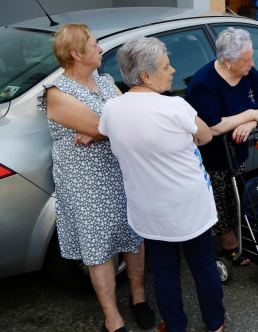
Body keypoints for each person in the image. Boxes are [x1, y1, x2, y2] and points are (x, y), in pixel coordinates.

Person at [99, 37, 224, 332]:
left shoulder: (111, 110)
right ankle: (215, 325)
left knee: (165, 270)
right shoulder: (176, 107)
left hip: (148, 209)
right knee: (203, 265)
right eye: (166, 66)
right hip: (189, 204)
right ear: (145, 75)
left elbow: (107, 133)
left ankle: (176, 326)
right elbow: (205, 136)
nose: (173, 70)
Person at [39, 24, 153, 332]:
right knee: (98, 248)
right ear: (76, 54)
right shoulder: (57, 93)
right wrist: (103, 127)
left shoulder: (104, 82)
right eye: (94, 45)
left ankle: (139, 298)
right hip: (86, 185)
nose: (101, 49)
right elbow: (104, 125)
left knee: (132, 237)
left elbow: (124, 121)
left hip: (119, 174)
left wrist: (101, 128)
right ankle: (112, 317)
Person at [185, 27, 258, 267]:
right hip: (210, 155)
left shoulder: (249, 73)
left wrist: (253, 121)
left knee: (236, 194)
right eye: (246, 59)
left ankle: (242, 235)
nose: (252, 63)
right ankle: (228, 243)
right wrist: (249, 114)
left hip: (236, 151)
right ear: (227, 61)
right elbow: (213, 127)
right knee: (218, 199)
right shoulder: (204, 83)